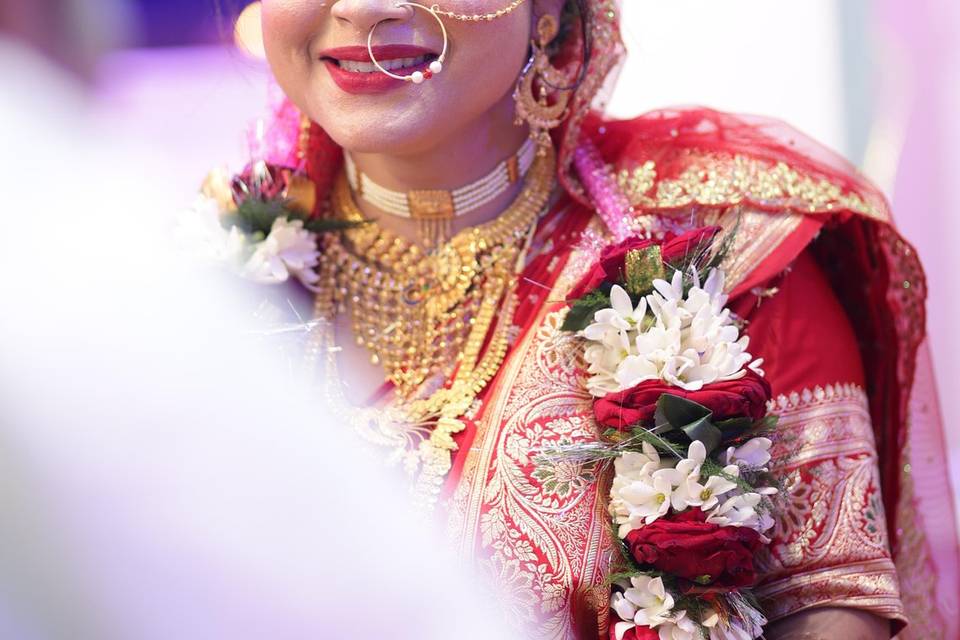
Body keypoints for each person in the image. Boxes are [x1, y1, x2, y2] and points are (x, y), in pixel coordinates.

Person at [198, 0, 958, 638]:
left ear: (553, 12)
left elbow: (827, 613)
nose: (364, 6)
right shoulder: (195, 293)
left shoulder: (734, 258)